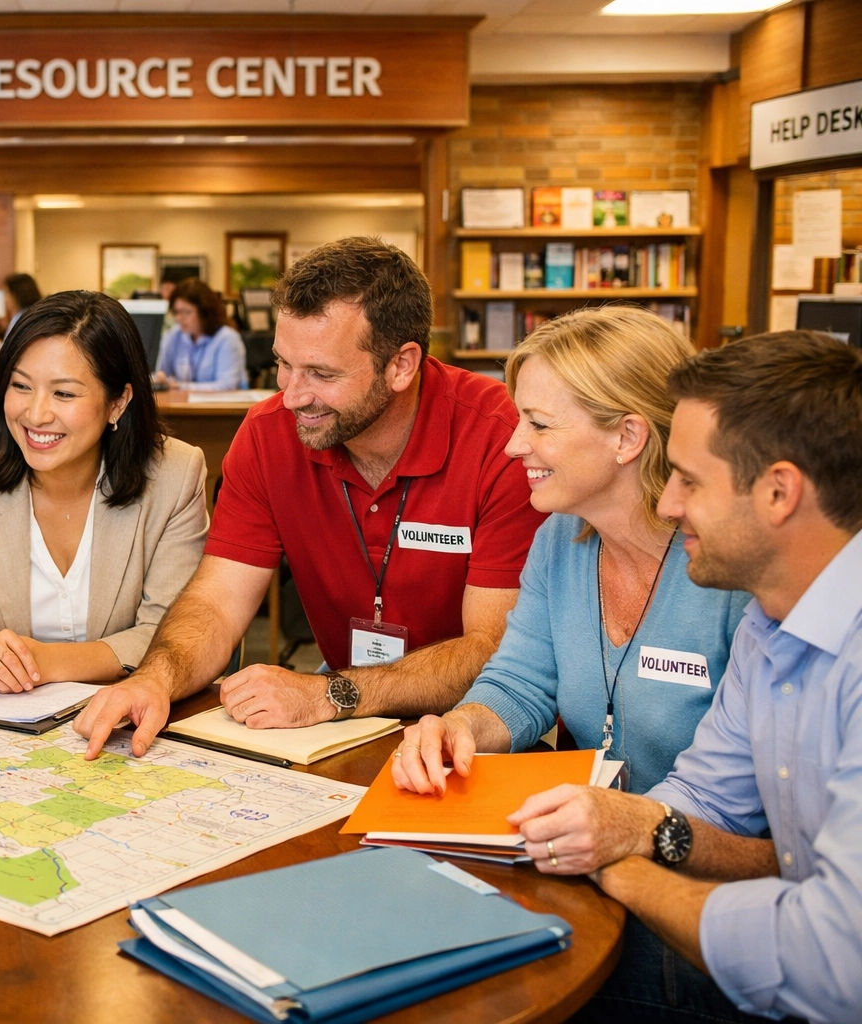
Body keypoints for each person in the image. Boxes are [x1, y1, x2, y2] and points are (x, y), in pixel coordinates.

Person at [505, 331, 862, 1023]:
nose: (667, 504)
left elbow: (831, 959)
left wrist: (620, 864)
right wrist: (616, 822)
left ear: (780, 493)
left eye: (691, 481)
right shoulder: (772, 622)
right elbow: (708, 794)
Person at [75, 237, 547, 759]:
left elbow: (494, 650)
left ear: (401, 365)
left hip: (467, 722)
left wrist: (331, 693)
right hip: (341, 704)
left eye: (321, 374)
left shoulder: (504, 437)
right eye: (283, 364)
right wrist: (154, 679)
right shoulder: (268, 433)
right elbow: (216, 601)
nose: (293, 395)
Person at [393, 307, 748, 797]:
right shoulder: (561, 538)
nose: (513, 446)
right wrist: (462, 727)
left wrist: (623, 828)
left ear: (627, 437)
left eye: (538, 424)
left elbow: (739, 784)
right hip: (587, 838)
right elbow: (519, 682)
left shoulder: (731, 571)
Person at [0, 290, 208, 690]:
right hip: (0, 722)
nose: (35, 414)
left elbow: (169, 633)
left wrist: (46, 662)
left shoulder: (174, 475)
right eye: (20, 386)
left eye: (64, 393)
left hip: (125, 714)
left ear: (118, 402)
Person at [153, 278, 248, 391]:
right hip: (182, 406)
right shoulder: (174, 335)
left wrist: (178, 386)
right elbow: (162, 373)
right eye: (176, 312)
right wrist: (161, 379)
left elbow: (227, 385)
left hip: (219, 406)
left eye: (186, 312)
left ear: (205, 312)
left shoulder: (227, 338)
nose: (179, 318)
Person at [0, 272, 42, 355]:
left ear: (17, 294)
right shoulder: (32, 314)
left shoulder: (22, 318)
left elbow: (10, 353)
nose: (5, 299)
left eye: (7, 292)